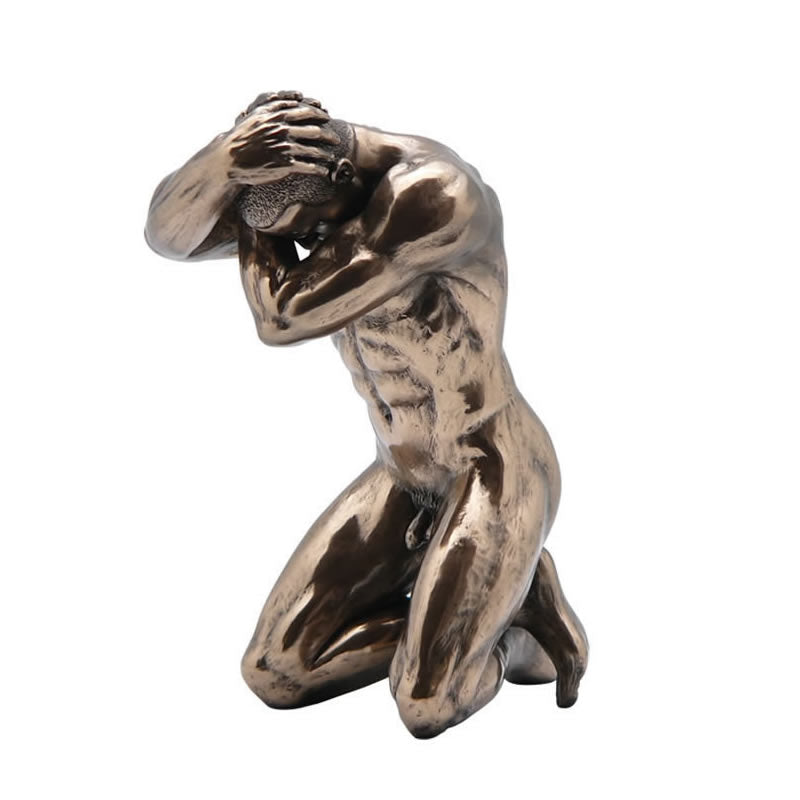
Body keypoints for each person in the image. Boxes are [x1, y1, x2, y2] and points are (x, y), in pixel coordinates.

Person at [145, 90, 588, 738]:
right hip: (402, 472)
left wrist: (247, 220)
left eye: (302, 231)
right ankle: (476, 603)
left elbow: (282, 316)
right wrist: (222, 162)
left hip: (491, 462)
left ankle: (521, 630)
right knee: (275, 671)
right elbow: (167, 239)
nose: (304, 247)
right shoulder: (300, 194)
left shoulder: (435, 194)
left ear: (343, 175)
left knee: (426, 705)